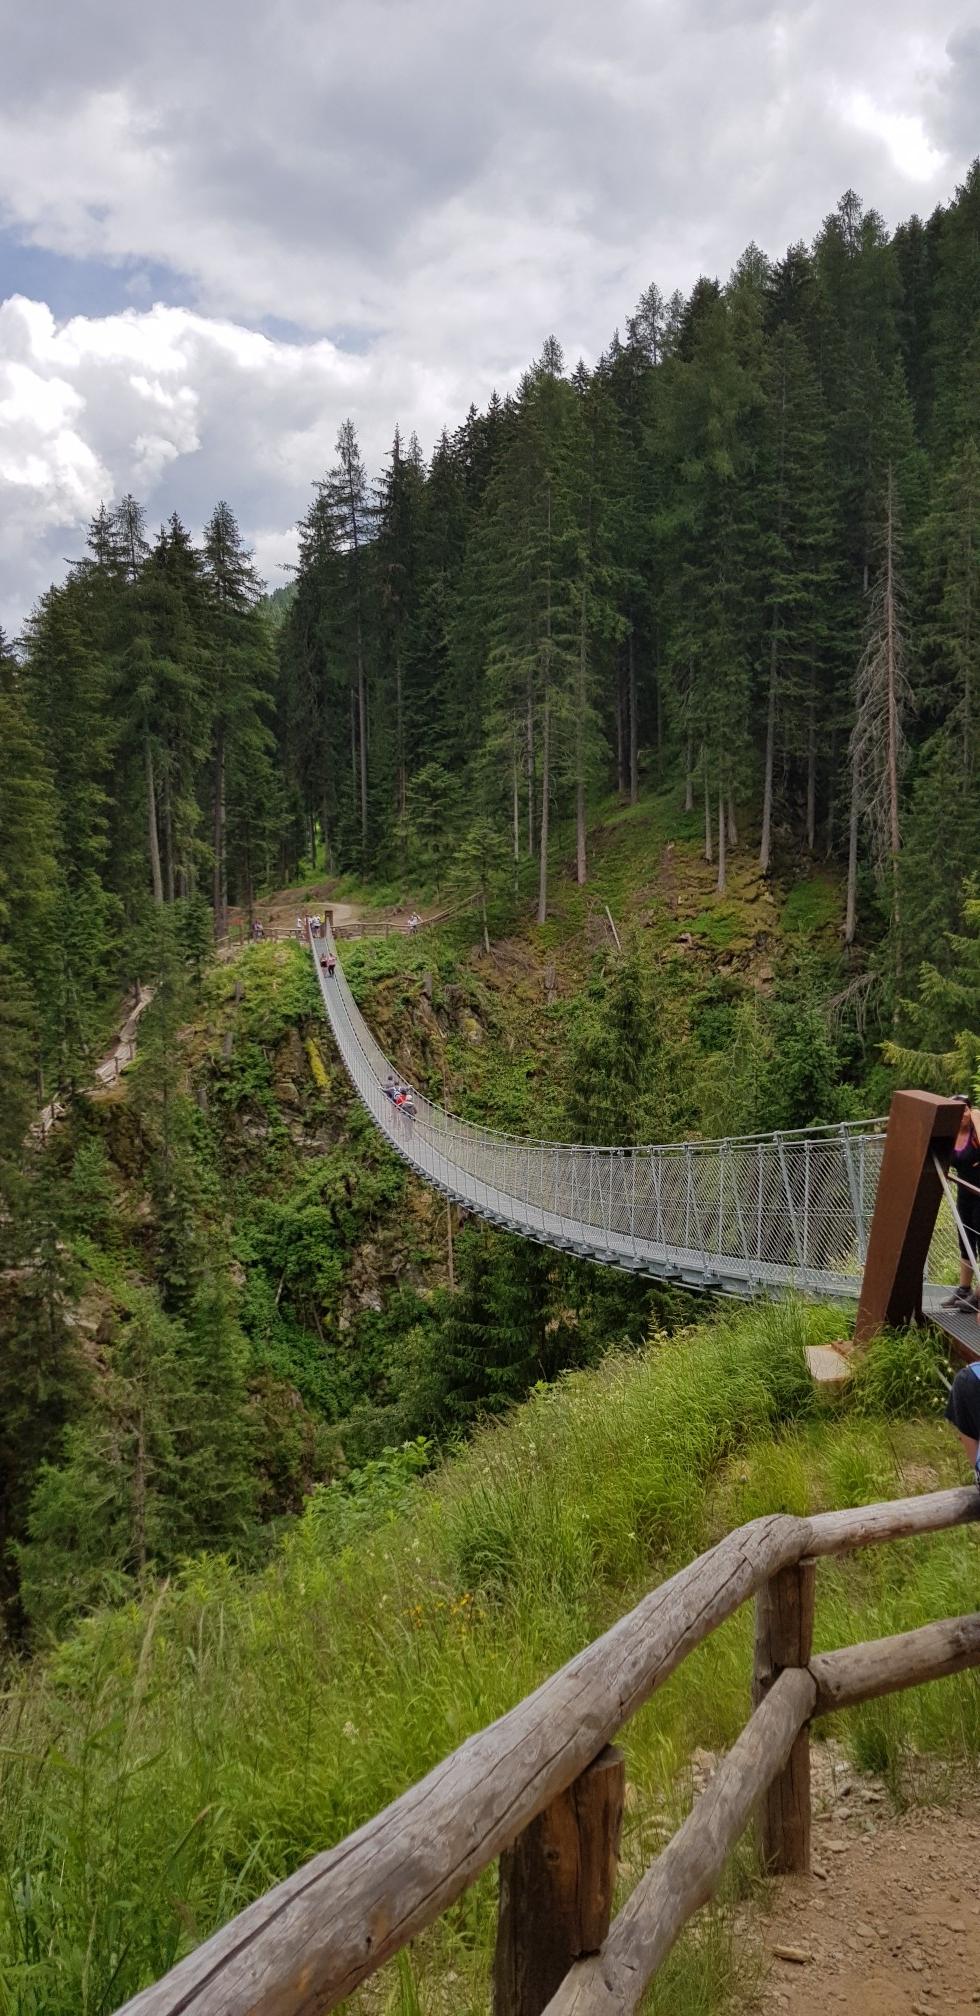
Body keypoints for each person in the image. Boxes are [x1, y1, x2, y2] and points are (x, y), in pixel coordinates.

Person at [943, 1099, 980, 1312]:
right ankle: (964, 1289)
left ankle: (978, 1296)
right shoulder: (950, 1134)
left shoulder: (976, 1128)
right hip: (965, 1192)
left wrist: (976, 1115)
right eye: (959, 1110)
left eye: (966, 1108)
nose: (963, 1114)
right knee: (965, 1239)